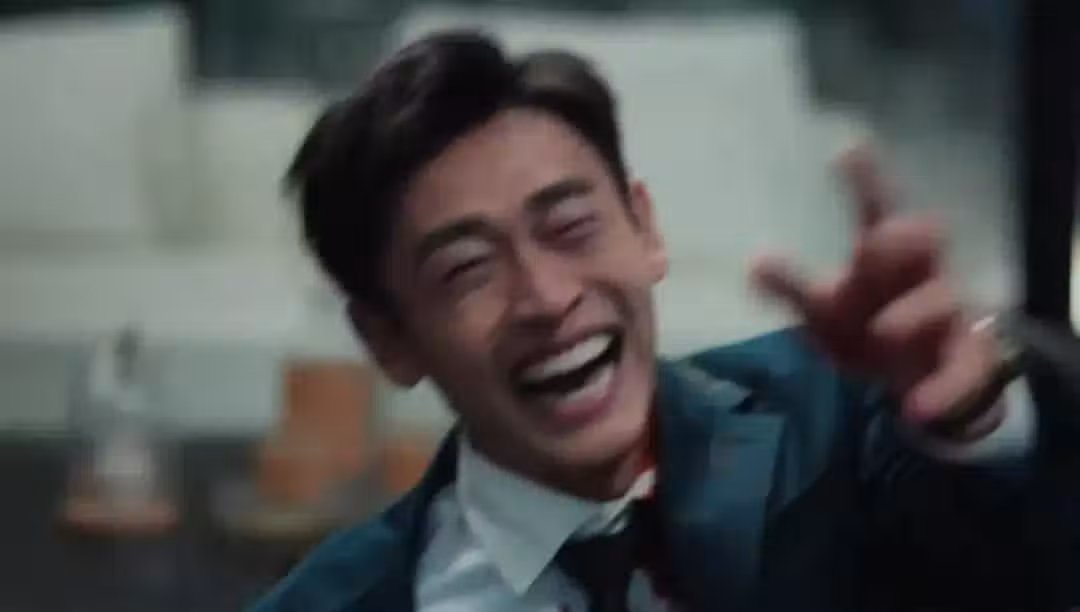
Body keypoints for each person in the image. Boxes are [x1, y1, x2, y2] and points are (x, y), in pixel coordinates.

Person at [252, 30, 1073, 612]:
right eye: (467, 269)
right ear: (389, 340)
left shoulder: (841, 422)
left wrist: (971, 415)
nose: (547, 297)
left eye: (571, 227)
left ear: (645, 228)